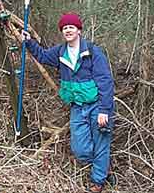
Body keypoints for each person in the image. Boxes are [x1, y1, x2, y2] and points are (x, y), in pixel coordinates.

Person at [21, 12, 115, 193]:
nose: (68, 30)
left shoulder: (93, 52)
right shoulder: (60, 52)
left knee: (101, 142)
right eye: (65, 28)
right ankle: (103, 166)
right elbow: (42, 56)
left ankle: (98, 181)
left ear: (79, 30)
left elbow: (105, 81)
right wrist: (29, 41)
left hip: (97, 105)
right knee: (80, 149)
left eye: (71, 27)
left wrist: (104, 109)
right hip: (77, 107)